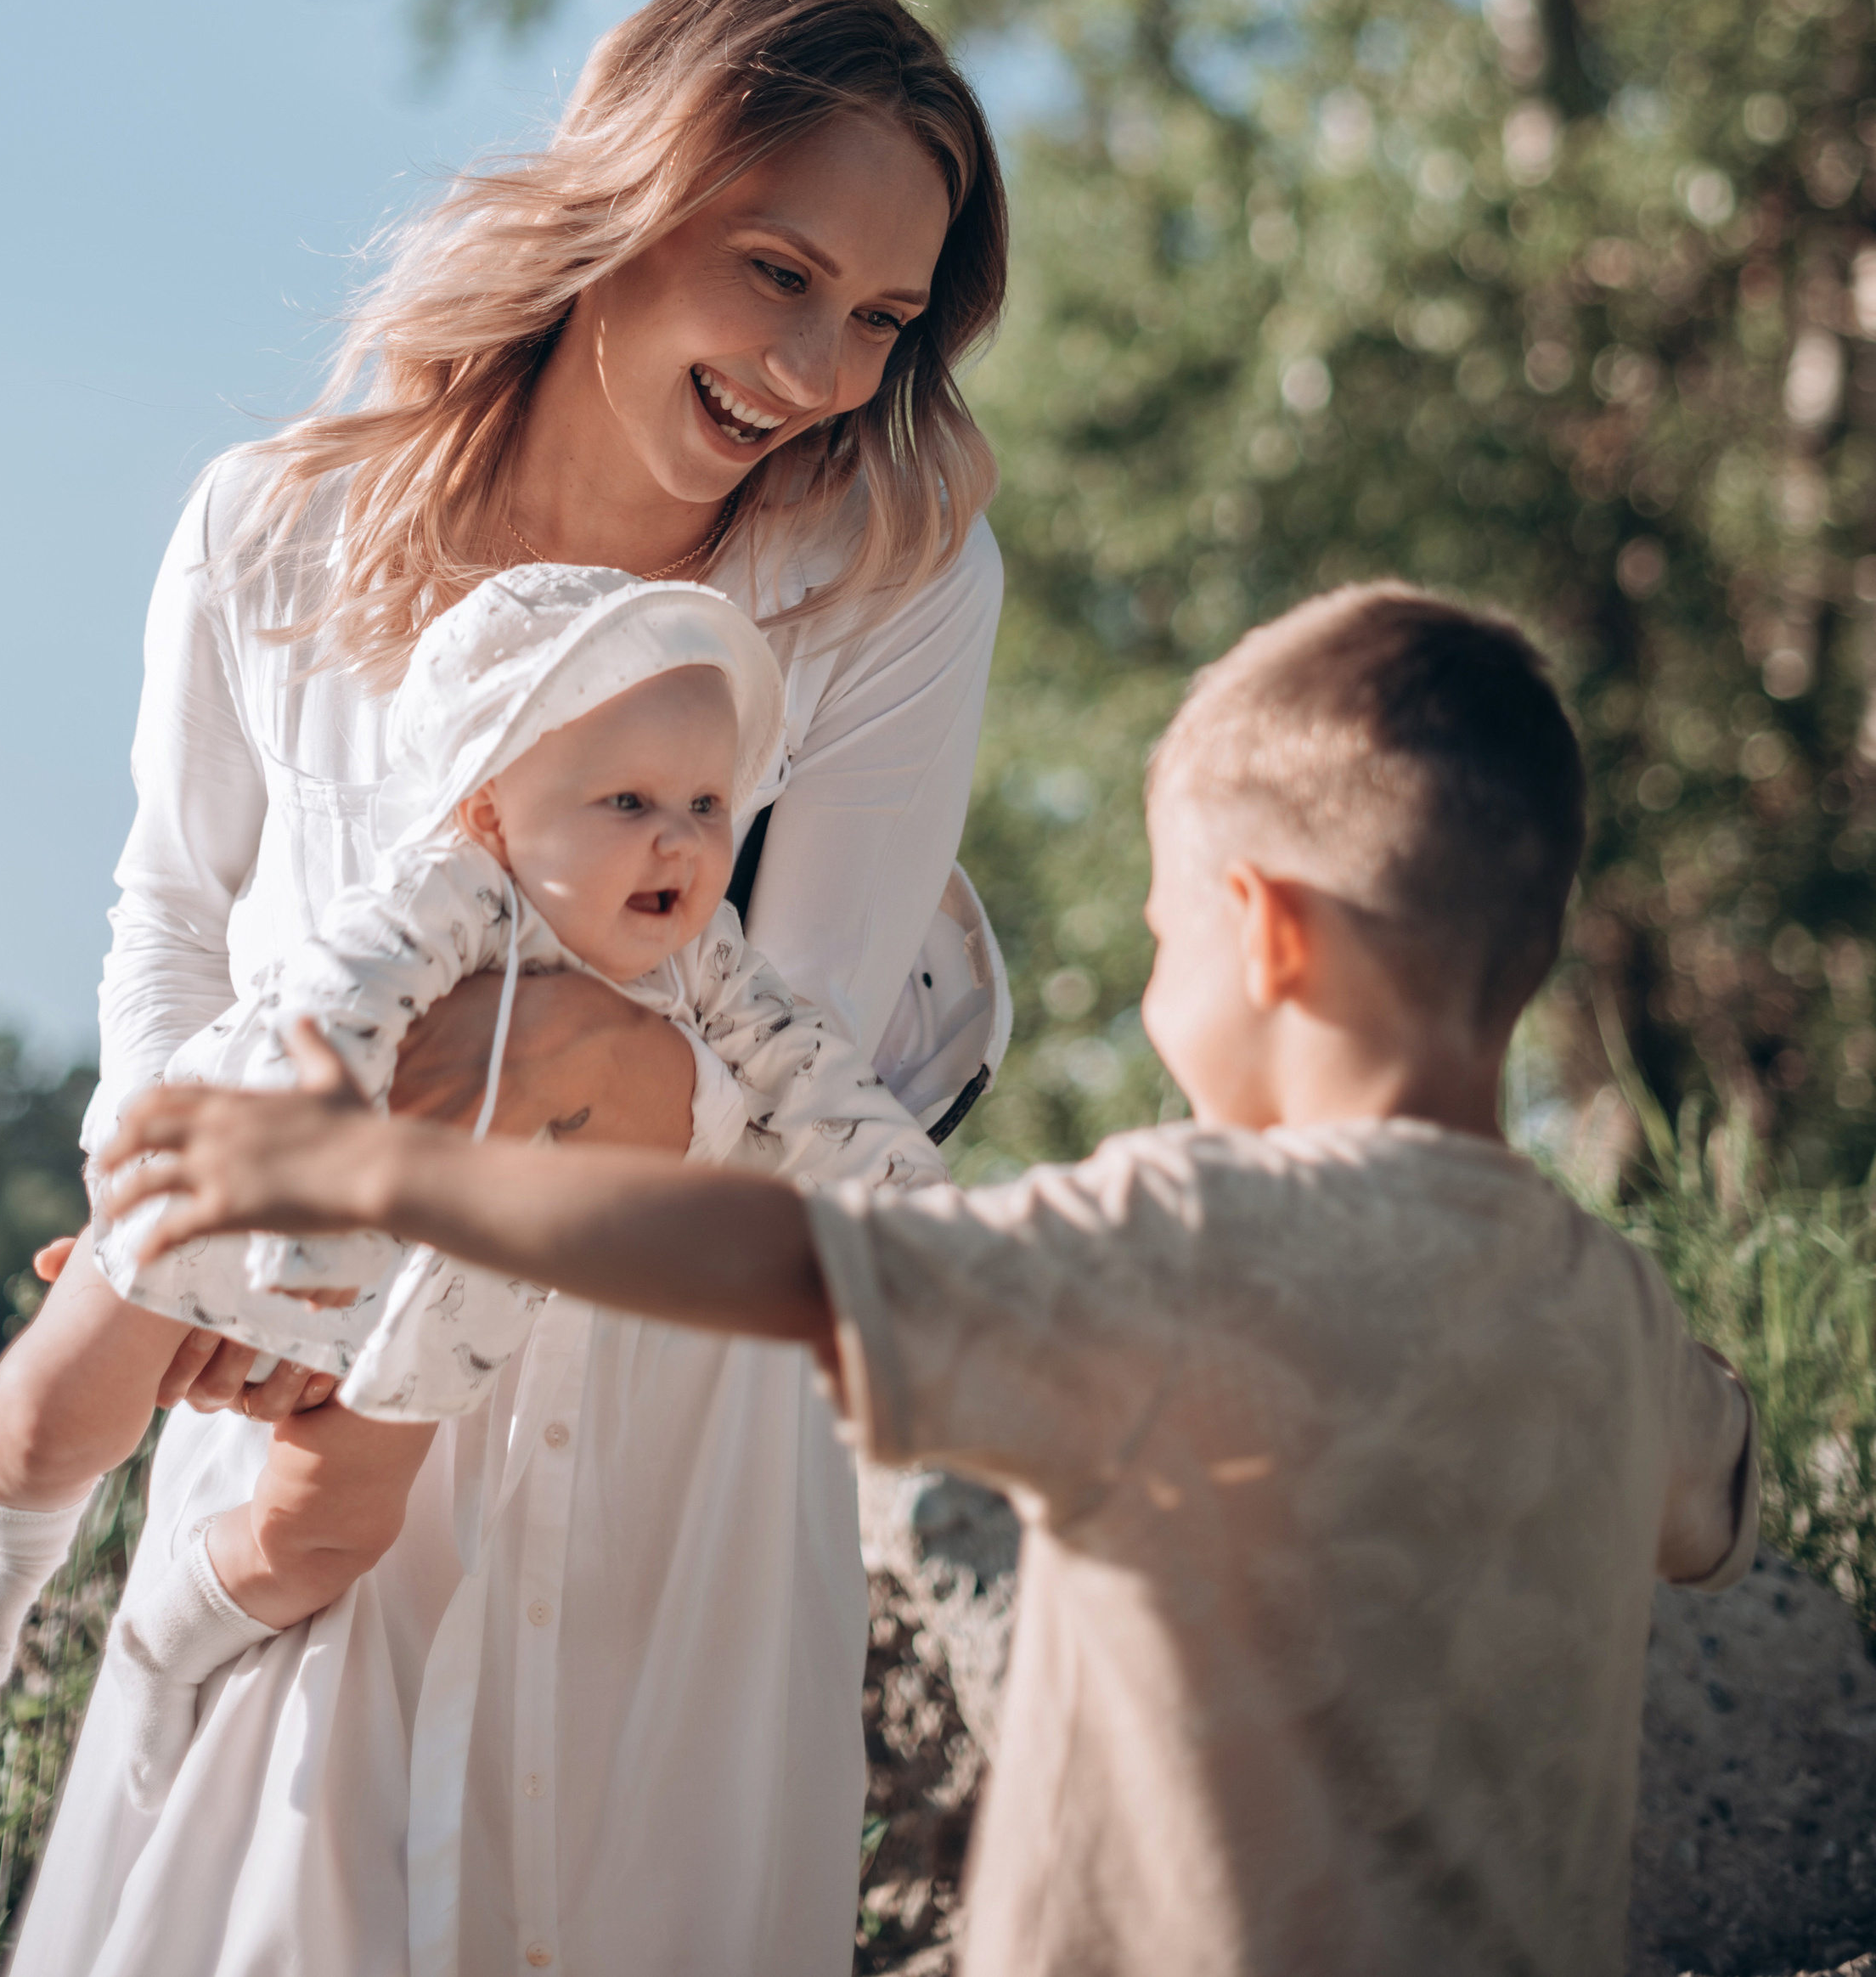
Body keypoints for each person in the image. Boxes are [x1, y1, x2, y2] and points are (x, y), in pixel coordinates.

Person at [105, 582, 1761, 1977]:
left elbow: (801, 1260)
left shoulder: (1176, 1243)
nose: (1149, 948)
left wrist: (395, 1173)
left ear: (1263, 937)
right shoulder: (1609, 1312)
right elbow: (1714, 1505)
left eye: (1160, 923)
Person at [9, 0, 1011, 1977]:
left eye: (882, 318)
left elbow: (771, 1065)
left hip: (663, 1408)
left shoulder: (881, 578)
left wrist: (377, 1138)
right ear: (626, 208)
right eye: (778, 272)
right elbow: (175, 913)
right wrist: (167, 1197)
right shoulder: (270, 534)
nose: (823, 369)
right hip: (279, 1356)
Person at [0, 568, 940, 1804]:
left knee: (331, 1529)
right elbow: (336, 1027)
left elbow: (805, 1074)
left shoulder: (707, 955)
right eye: (625, 799)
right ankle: (9, 1547)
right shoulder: (440, 897)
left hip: (447, 1288)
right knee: (53, 1410)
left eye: (705, 801)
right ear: (493, 807)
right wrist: (310, 1222)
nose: (677, 837)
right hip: (249, 1188)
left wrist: (905, 1198)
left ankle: (162, 1639)